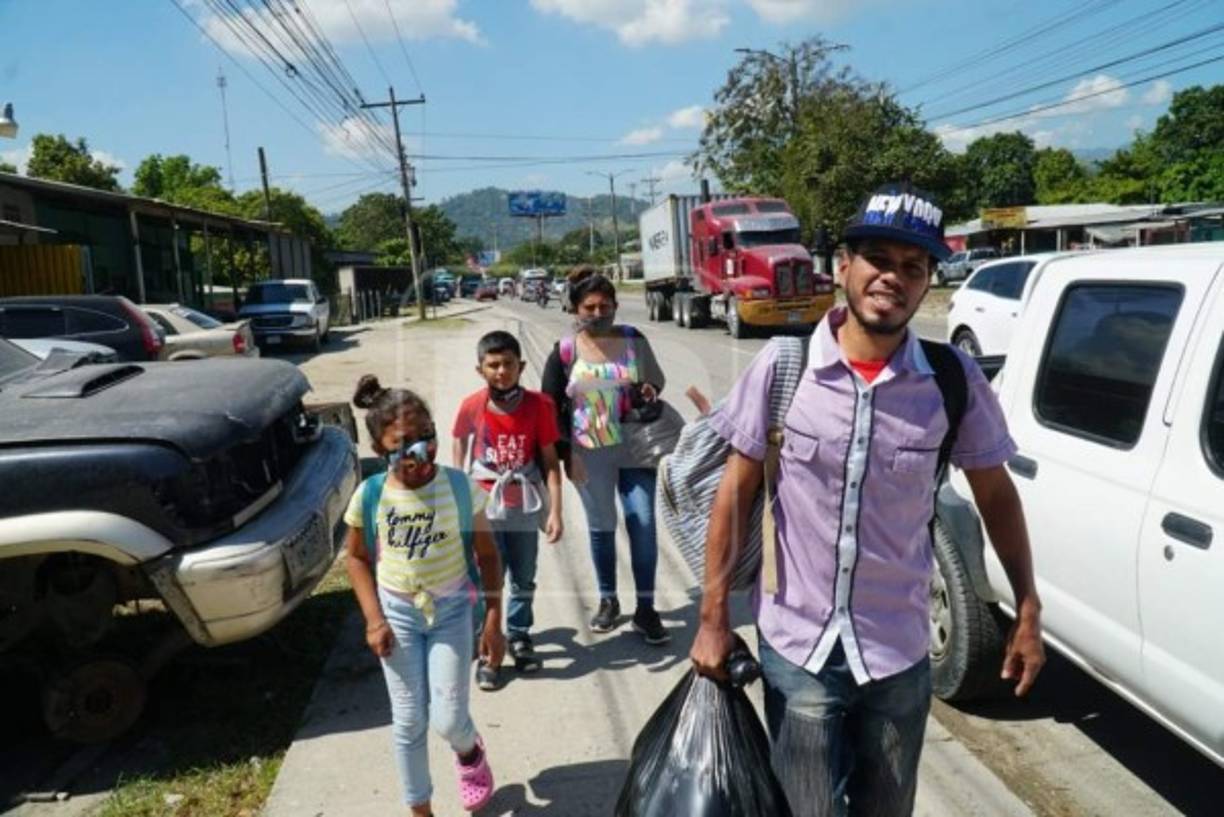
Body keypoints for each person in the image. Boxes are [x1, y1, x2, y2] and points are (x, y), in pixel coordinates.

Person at [690, 183, 1046, 817]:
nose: (893, 277)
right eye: (878, 259)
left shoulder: (950, 380)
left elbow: (997, 495)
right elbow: (734, 494)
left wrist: (1026, 606)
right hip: (796, 648)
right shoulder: (783, 365)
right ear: (844, 267)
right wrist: (713, 619)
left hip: (898, 654)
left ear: (928, 280)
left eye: (913, 267)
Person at [344, 375, 506, 816]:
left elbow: (488, 555)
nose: (417, 451)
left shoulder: (458, 487)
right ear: (380, 450)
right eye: (402, 444)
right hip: (398, 615)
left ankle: (469, 752)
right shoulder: (372, 495)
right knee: (409, 721)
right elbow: (356, 558)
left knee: (449, 720)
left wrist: (494, 618)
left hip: (452, 612)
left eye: (425, 438)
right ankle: (421, 810)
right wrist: (374, 619)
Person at [541, 267, 670, 645]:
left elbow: (656, 379)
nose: (598, 313)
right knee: (601, 527)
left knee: (643, 523)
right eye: (590, 307)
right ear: (575, 309)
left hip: (636, 448)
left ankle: (646, 610)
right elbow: (550, 408)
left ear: (615, 306)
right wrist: (568, 454)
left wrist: (648, 387)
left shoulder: (633, 339)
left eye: (605, 306)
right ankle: (608, 599)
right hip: (589, 453)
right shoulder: (564, 352)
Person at [453, 330, 564, 690]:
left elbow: (550, 462)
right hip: (485, 508)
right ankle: (489, 646)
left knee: (524, 577)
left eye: (508, 364)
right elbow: (459, 445)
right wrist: (460, 498)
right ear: (480, 369)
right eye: (493, 365)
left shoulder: (539, 406)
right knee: (488, 580)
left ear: (522, 366)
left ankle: (519, 635)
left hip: (523, 506)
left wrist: (555, 511)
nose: (501, 371)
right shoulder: (472, 406)